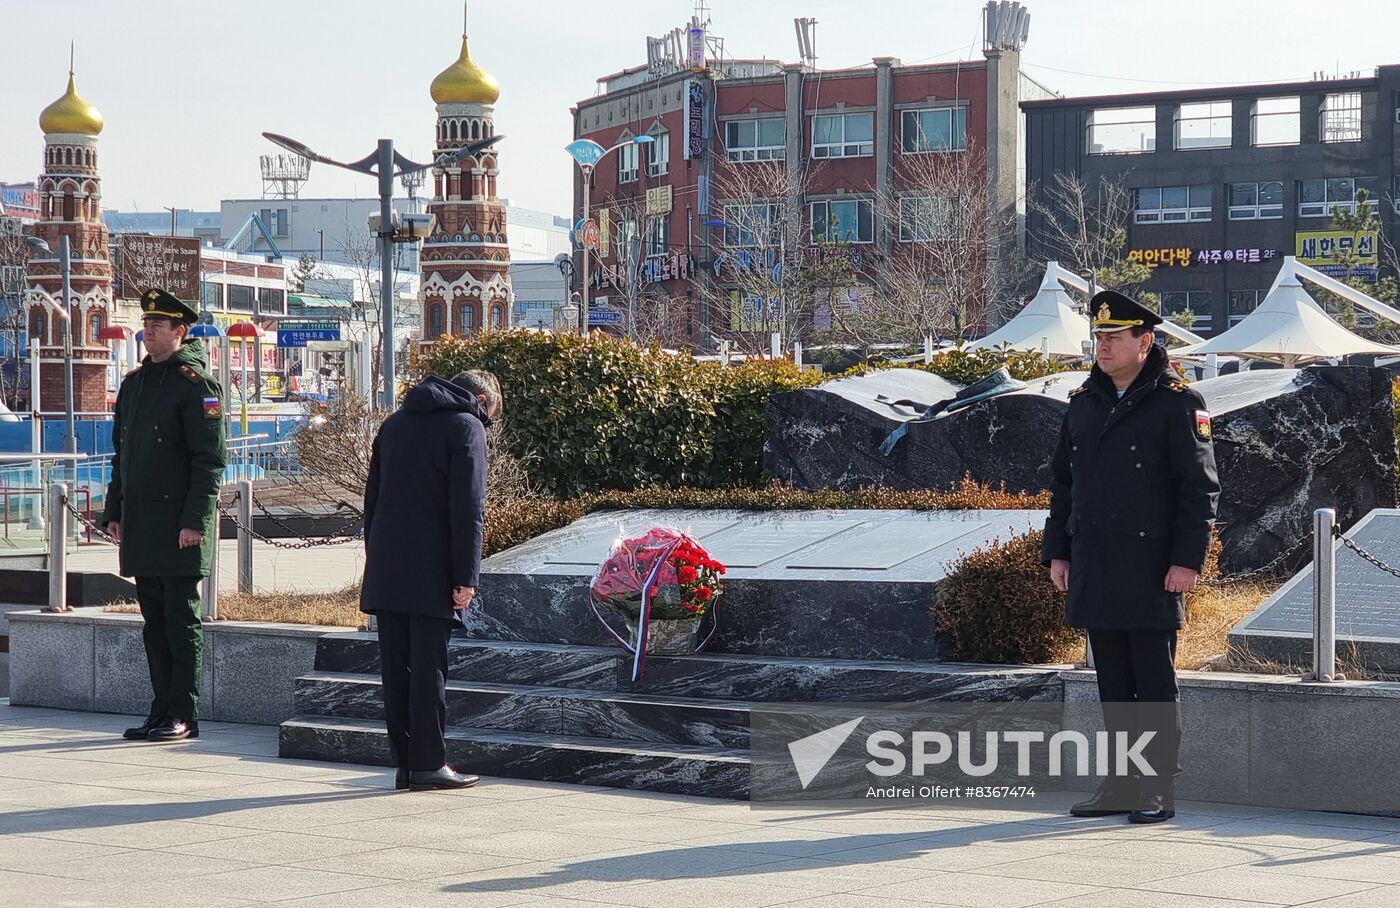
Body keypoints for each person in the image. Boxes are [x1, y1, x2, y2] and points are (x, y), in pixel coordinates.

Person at [1042, 290, 1219, 824]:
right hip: (1095, 563)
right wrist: (1058, 552)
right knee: (1114, 684)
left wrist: (1188, 560)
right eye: (1098, 337)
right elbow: (1064, 487)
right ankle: (1120, 784)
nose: (1104, 346)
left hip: (1151, 567)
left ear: (1145, 342)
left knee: (1153, 683)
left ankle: (1157, 786)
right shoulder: (1084, 404)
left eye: (1114, 337)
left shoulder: (1177, 404)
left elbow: (1199, 489)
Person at [360, 369, 502, 791]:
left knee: (396, 670)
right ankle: (429, 764)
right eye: (490, 412)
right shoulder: (467, 426)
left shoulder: (394, 423)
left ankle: (405, 764)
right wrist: (466, 576)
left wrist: (377, 559)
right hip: (433, 569)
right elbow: (468, 508)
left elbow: (372, 501)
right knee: (429, 670)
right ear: (479, 397)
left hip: (388, 566)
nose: (488, 420)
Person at [103, 288, 227, 743]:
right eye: (146, 323)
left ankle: (184, 712)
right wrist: (114, 510)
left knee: (180, 619)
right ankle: (160, 708)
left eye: (158, 325)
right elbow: (124, 456)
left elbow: (209, 460)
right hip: (142, 523)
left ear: (180, 331)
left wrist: (195, 521)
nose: (148, 330)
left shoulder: (196, 385)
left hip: (179, 526)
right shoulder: (135, 385)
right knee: (153, 622)